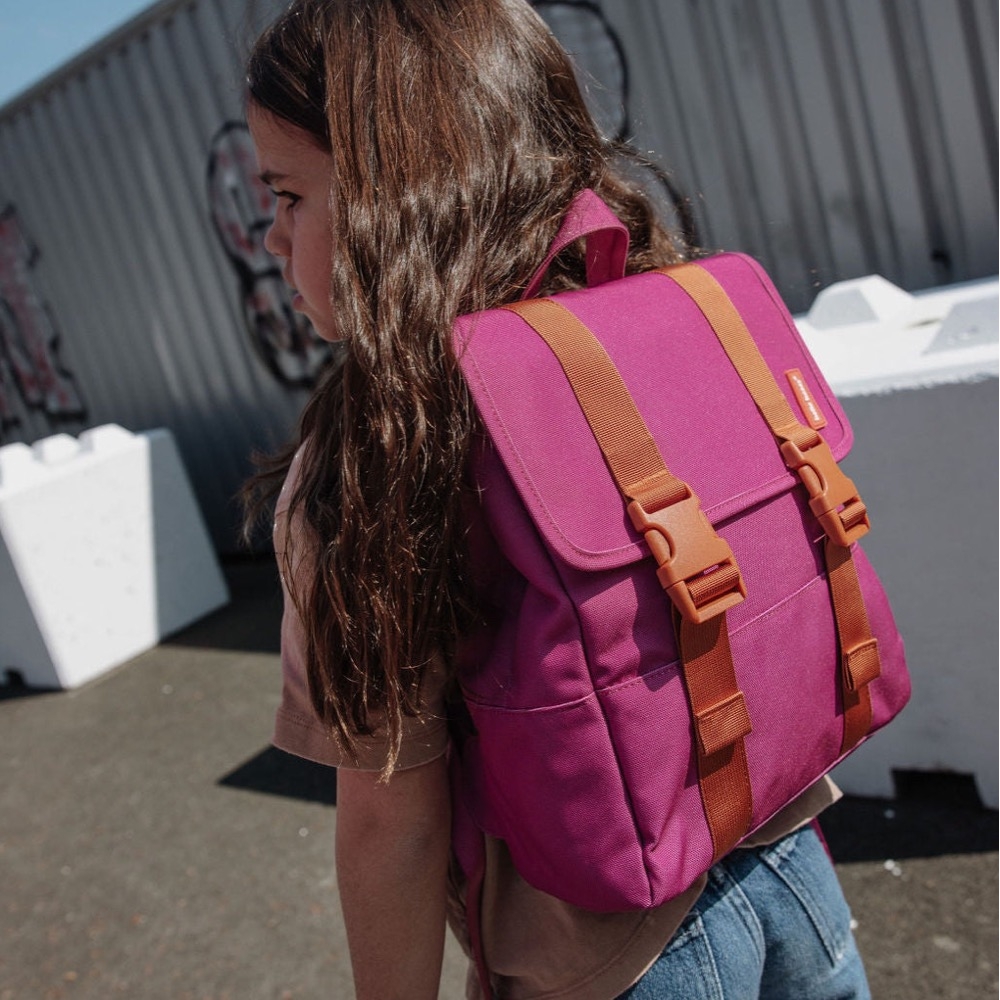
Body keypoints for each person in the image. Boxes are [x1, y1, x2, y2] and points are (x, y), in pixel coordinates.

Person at [242, 1, 872, 997]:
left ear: (391, 195)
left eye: (287, 194)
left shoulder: (377, 451)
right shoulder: (657, 305)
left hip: (606, 958)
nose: (272, 237)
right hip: (791, 863)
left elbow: (390, 818)